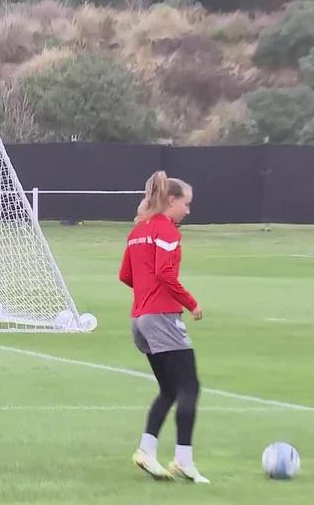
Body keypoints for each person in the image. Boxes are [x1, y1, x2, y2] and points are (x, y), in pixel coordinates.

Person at [120, 171, 209, 485]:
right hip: (162, 317)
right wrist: (191, 302)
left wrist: (145, 293)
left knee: (170, 389)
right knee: (190, 388)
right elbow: (164, 274)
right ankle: (184, 460)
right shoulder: (166, 230)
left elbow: (126, 276)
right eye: (185, 203)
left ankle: (146, 450)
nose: (187, 210)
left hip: (140, 319)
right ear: (171, 200)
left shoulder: (138, 229)